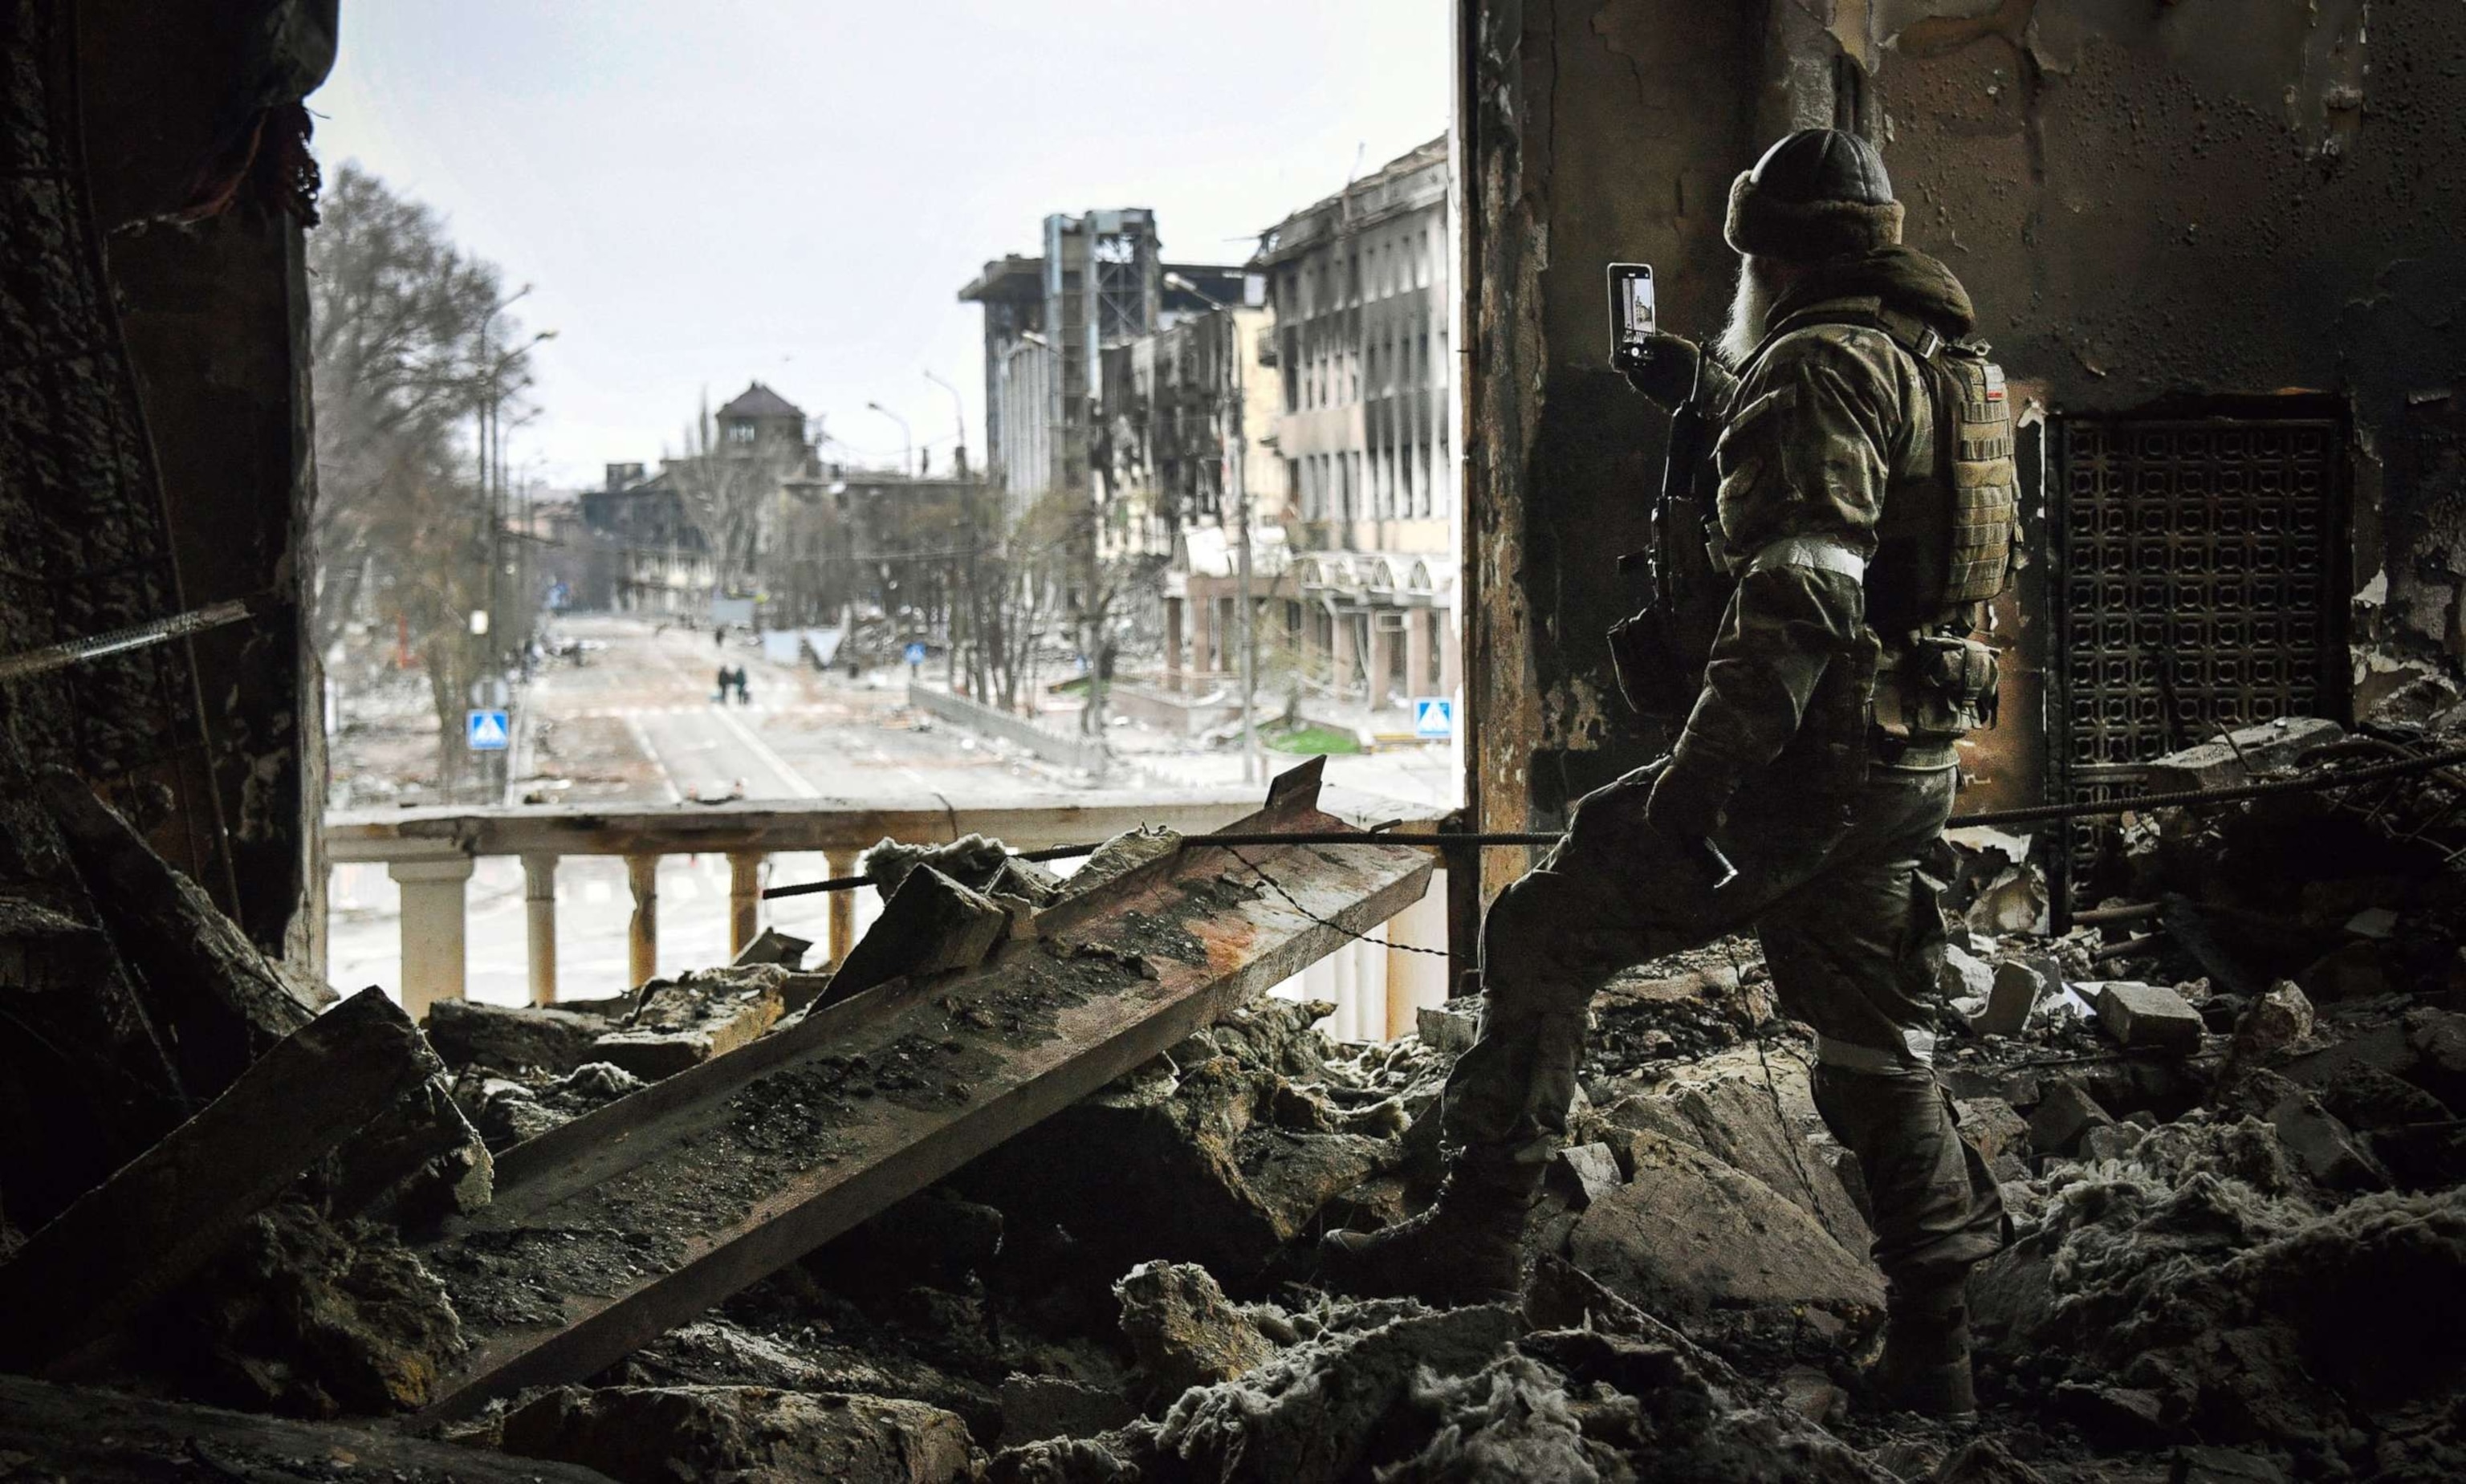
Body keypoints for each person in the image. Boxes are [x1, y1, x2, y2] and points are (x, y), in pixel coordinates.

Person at [1319, 128, 2015, 1418]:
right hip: (1904, 762)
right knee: (1874, 1039)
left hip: (1795, 777)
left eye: (1747, 256)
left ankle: (1474, 1248)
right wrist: (1709, 401)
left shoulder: (1814, 369)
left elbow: (1799, 601)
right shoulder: (1937, 359)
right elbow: (1883, 543)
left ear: (1776, 255)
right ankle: (1939, 1349)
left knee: (1538, 932)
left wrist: (1696, 791)